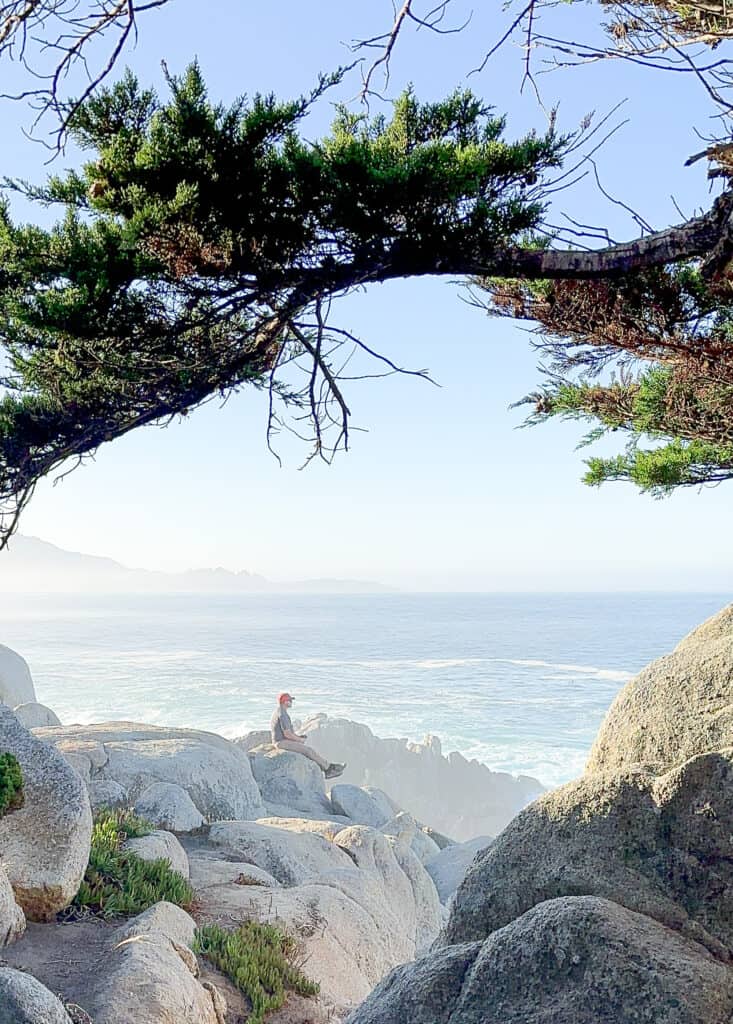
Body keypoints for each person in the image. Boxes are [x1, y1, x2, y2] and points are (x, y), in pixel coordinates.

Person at [270, 693, 345, 779]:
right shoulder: (283, 714)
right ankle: (329, 769)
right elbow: (287, 734)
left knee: (306, 749)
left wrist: (298, 737)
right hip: (281, 742)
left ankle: (326, 767)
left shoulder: (278, 711)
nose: (291, 702)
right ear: (285, 702)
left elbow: (286, 733)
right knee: (308, 750)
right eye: (290, 700)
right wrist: (299, 740)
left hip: (282, 740)